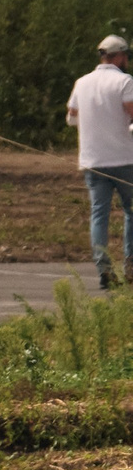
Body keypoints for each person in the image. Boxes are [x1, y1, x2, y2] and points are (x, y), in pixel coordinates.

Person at [64, 35, 133, 289]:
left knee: (99, 215)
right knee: (131, 211)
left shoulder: (82, 83)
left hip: (92, 160)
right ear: (119, 56)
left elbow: (71, 117)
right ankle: (130, 265)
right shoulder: (125, 81)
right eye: (126, 56)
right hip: (124, 159)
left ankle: (104, 270)